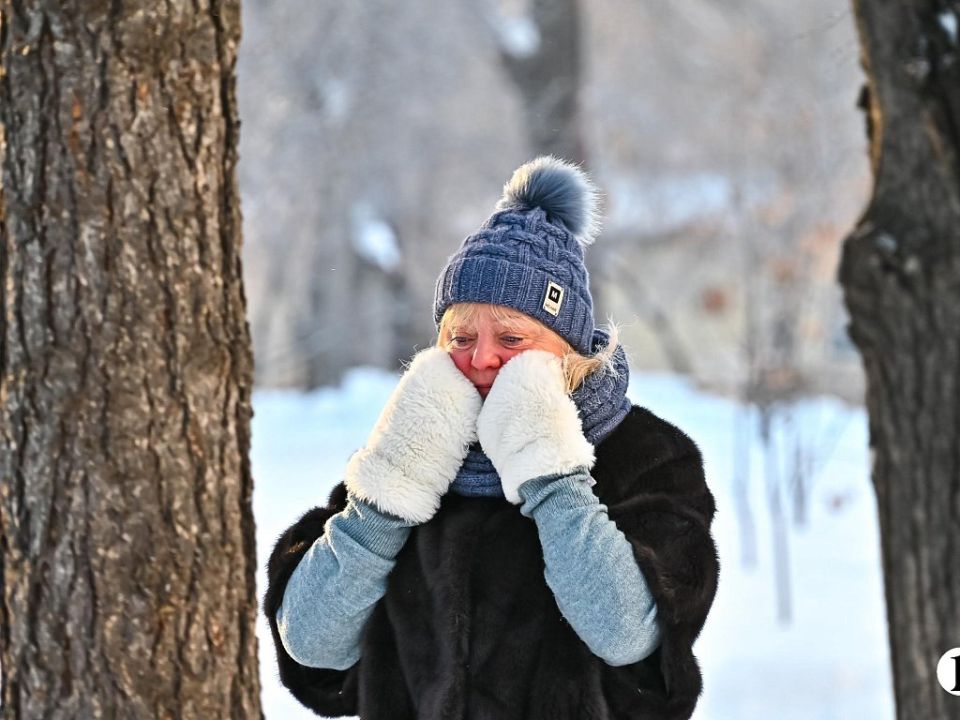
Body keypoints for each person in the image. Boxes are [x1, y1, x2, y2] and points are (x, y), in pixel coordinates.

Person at [263, 156, 720, 720]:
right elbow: (313, 646)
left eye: (511, 337)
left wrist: (550, 473)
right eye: (459, 336)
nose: (480, 359)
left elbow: (629, 636)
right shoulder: (415, 448)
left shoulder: (647, 455)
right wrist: (390, 493)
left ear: (567, 348)